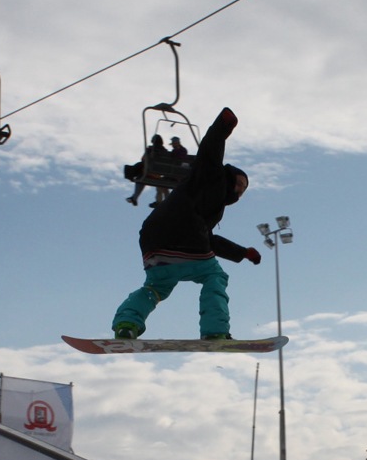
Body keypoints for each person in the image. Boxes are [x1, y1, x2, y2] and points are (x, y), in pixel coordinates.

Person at [110, 107, 260, 341]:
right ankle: (215, 330)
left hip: (154, 242)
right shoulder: (212, 177)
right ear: (229, 176)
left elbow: (207, 238)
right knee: (215, 276)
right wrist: (222, 126)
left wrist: (243, 252)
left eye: (244, 188)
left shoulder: (203, 201)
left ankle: (126, 324)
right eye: (239, 183)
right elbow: (210, 152)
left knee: (155, 288)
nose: (240, 189)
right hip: (184, 236)